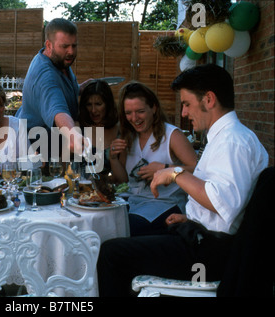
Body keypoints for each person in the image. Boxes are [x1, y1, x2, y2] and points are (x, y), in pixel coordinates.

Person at [97, 64, 269, 297]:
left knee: (111, 254)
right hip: (201, 239)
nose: (185, 113)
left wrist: (175, 173)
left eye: (187, 104)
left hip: (207, 255)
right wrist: (190, 217)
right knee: (126, 245)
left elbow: (223, 202)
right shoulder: (226, 138)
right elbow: (230, 206)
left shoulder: (232, 141)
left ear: (208, 100)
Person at [109, 81, 197, 236]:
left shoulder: (172, 135)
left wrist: (165, 169)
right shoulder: (128, 136)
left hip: (166, 203)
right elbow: (123, 180)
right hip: (134, 201)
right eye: (128, 112)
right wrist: (113, 159)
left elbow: (197, 169)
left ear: (154, 108)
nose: (134, 118)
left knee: (125, 229)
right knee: (107, 223)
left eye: (140, 111)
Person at [16, 18, 85, 159]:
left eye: (74, 45)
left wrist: (79, 88)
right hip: (40, 152)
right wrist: (73, 134)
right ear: (49, 45)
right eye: (65, 46)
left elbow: (59, 90)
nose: (71, 51)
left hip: (55, 145)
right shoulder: (45, 75)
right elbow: (57, 109)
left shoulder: (58, 61)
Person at [77, 80, 119, 178]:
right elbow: (63, 169)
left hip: (111, 191)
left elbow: (124, 179)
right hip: (82, 191)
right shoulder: (77, 129)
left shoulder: (120, 131)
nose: (93, 110)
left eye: (98, 104)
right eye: (89, 104)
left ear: (108, 104)